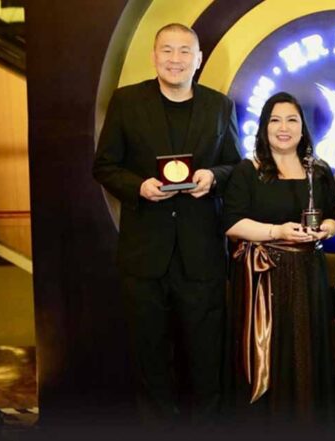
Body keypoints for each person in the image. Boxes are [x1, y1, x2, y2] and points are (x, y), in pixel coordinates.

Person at [92, 23, 241, 426]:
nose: (176, 59)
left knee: (206, 358)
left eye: (184, 51)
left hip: (202, 254)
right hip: (145, 255)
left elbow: (235, 164)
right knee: (151, 358)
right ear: (154, 55)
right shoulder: (127, 102)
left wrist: (213, 177)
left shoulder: (219, 106)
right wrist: (138, 187)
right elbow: (104, 165)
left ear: (199, 59)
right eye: (167, 50)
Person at [222, 92, 335, 424]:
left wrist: (327, 229)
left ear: (303, 128)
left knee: (306, 352)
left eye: (292, 120)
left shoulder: (319, 171)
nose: (283, 128)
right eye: (275, 120)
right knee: (270, 355)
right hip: (264, 277)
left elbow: (333, 215)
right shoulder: (249, 170)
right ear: (264, 127)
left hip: (309, 275)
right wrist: (277, 232)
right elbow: (231, 224)